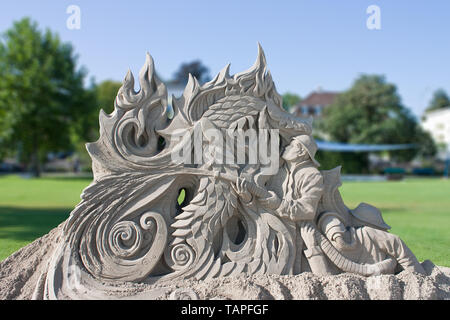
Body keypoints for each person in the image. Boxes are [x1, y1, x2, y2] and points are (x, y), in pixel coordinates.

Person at [300, 213, 426, 275]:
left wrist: (416, 276)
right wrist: (312, 248)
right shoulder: (328, 249)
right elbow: (325, 279)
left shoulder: (367, 234)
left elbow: (396, 243)